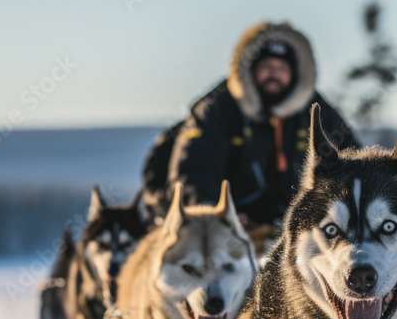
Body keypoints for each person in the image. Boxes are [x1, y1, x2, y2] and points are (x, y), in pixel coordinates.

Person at [142, 21, 359, 229]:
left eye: (282, 67)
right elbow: (196, 170)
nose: (274, 73)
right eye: (266, 66)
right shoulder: (217, 108)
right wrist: (215, 217)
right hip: (228, 227)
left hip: (288, 229)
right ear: (250, 70)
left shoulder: (316, 110)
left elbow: (352, 162)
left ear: (296, 74)